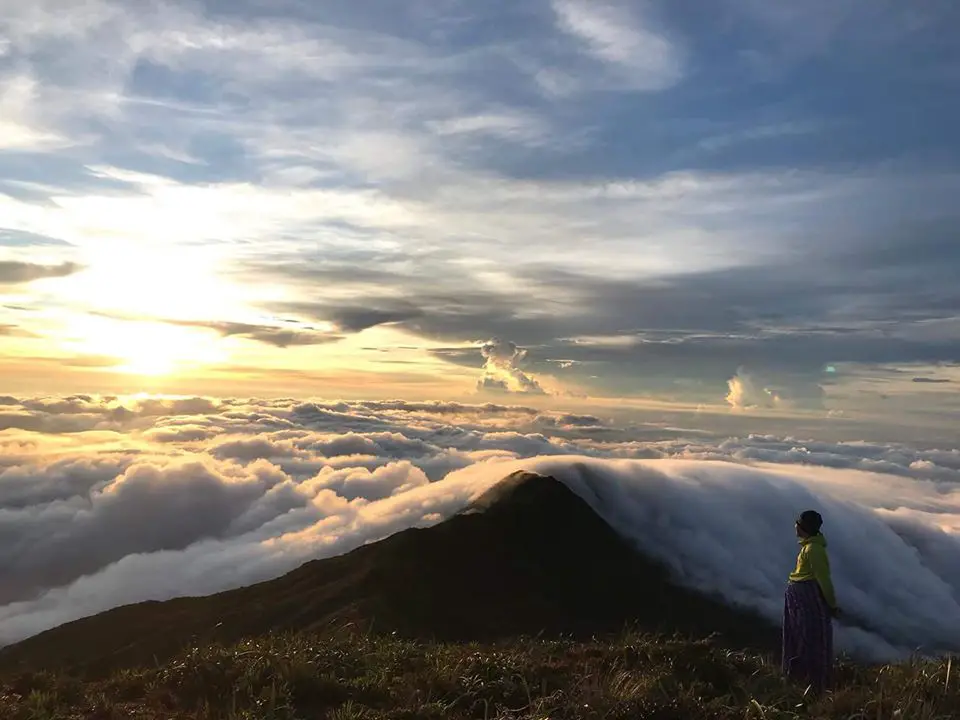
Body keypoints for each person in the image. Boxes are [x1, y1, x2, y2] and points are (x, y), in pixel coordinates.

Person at [782, 509, 839, 694]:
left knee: (809, 638)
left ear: (803, 527)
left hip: (806, 600)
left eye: (797, 523)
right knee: (803, 637)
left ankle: (813, 684)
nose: (794, 526)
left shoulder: (814, 550)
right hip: (801, 599)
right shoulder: (809, 548)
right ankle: (802, 679)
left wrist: (832, 604)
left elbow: (823, 579)